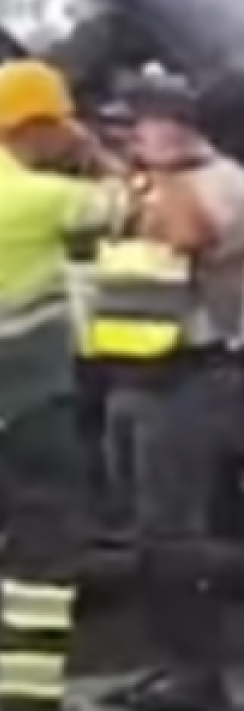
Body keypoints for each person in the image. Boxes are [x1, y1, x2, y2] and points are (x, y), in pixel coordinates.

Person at [0, 59, 198, 711]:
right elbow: (156, 217)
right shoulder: (38, 199)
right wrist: (101, 153)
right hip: (24, 395)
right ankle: (26, 695)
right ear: (35, 126)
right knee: (46, 544)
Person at [88, 68, 244, 711]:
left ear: (178, 125)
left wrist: (167, 167)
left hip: (194, 376)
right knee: (146, 537)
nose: (127, 134)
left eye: (139, 122)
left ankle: (195, 677)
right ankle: (169, 666)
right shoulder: (144, 179)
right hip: (133, 373)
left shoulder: (222, 182)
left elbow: (188, 236)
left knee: (174, 538)